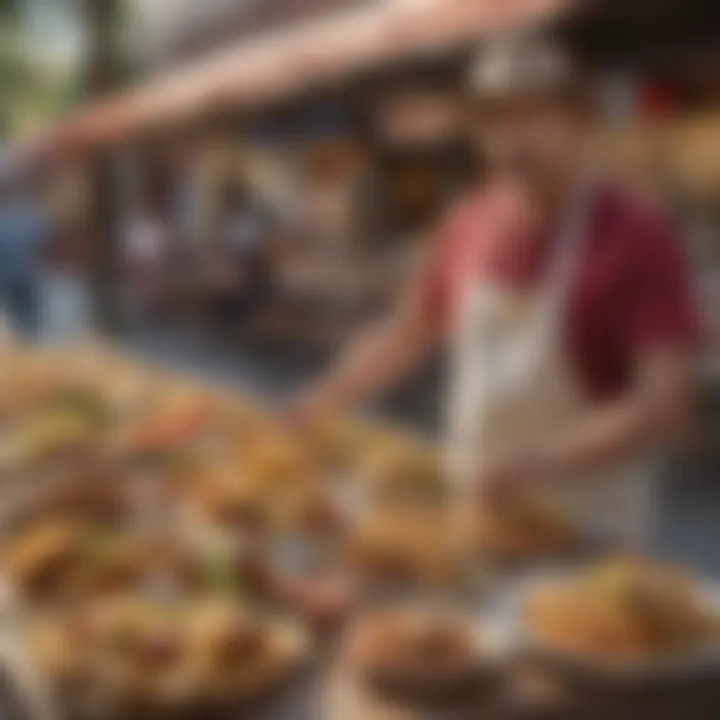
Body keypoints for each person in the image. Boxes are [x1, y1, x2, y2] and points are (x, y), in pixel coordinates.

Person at [289, 34, 700, 548]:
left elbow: (664, 402)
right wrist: (323, 398)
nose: (513, 136)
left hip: (586, 535)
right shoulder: (468, 222)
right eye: (496, 118)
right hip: (476, 517)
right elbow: (407, 332)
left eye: (532, 114)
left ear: (576, 119)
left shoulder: (637, 233)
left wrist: (537, 465)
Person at [0, 167, 48, 339]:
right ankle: (30, 340)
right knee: (30, 316)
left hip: (7, 276)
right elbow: (43, 243)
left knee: (13, 315)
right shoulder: (30, 216)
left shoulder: (3, 220)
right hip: (28, 273)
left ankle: (22, 341)